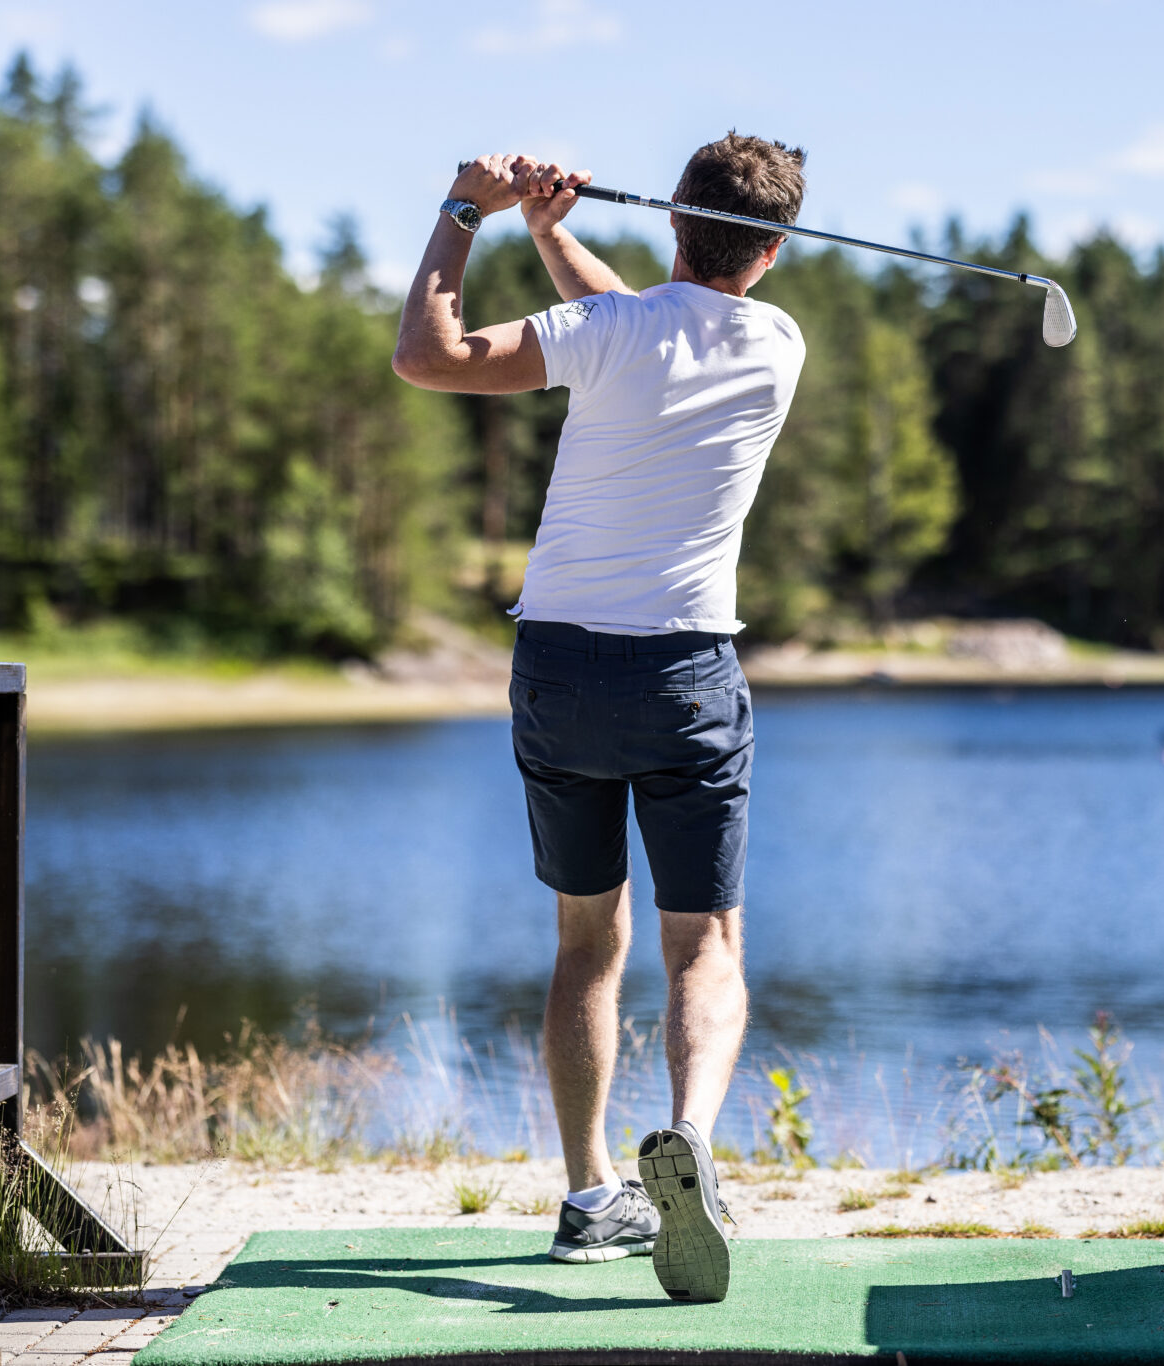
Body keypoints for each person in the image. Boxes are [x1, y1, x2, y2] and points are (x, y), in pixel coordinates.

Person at [391, 133, 808, 1304]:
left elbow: (429, 356)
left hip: (563, 667)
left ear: (674, 222)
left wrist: (467, 213)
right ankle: (688, 1140)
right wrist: (546, 229)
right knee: (705, 943)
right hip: (686, 675)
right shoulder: (777, 342)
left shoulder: (609, 337)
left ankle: (587, 1194)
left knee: (588, 943)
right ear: (770, 253)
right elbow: (652, 323)